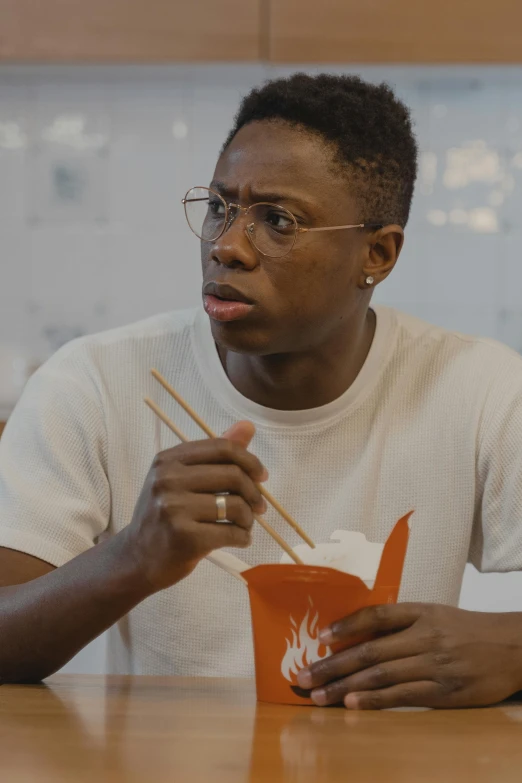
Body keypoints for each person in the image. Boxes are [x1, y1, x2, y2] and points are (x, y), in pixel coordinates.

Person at [1, 73, 522, 710]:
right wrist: (133, 557)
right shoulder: (97, 381)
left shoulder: (485, 390)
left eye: (277, 220)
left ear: (378, 255)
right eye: (220, 207)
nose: (225, 245)